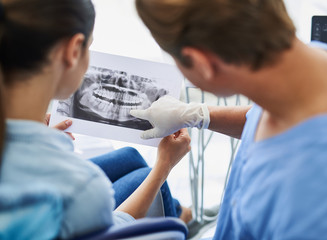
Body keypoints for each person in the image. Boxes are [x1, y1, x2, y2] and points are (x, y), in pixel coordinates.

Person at [132, 0, 327, 239]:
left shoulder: (319, 213)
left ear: (201, 63)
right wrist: (198, 115)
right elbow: (260, 119)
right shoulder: (311, 63)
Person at [0, 0, 192, 239]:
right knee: (147, 175)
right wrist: (164, 166)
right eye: (89, 48)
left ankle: (180, 210)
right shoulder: (83, 187)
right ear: (73, 51)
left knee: (129, 157)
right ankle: (182, 216)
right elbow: (115, 227)